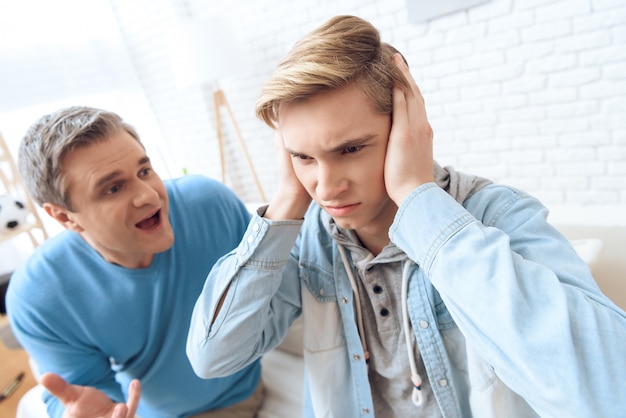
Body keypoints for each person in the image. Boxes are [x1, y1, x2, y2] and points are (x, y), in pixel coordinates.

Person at [186, 14, 626, 418]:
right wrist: (285, 200)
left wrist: (419, 200)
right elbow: (212, 357)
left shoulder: (497, 215)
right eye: (303, 156)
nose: (326, 185)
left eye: (350, 149)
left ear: (406, 129)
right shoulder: (309, 244)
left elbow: (609, 393)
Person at [6, 106, 264, 418]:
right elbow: (78, 392)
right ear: (64, 216)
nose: (149, 197)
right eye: (113, 188)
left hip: (238, 396)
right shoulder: (38, 294)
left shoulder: (210, 204)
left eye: (144, 171)